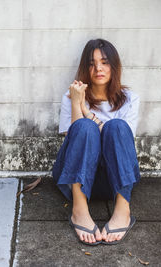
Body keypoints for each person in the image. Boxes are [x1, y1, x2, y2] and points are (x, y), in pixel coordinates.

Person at [52, 38, 140, 245]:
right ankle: (79, 210)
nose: (98, 68)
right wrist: (77, 103)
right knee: (83, 127)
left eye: (104, 62)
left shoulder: (130, 99)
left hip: (114, 180)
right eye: (91, 63)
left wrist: (86, 112)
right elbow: (74, 142)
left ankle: (122, 210)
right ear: (85, 67)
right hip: (77, 179)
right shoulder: (72, 95)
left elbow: (124, 142)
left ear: (114, 66)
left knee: (117, 127)